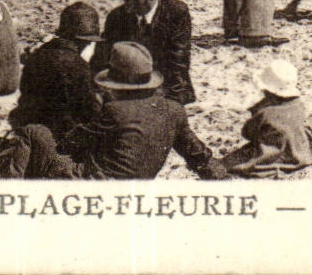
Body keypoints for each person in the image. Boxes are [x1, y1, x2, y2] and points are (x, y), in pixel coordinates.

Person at [20, 42, 225, 181]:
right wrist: (220, 175)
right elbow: (197, 153)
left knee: (34, 133)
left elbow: (71, 144)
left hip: (96, 185)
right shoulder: (174, 110)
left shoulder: (114, 111)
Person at [8, 2, 105, 151]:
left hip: (30, 129)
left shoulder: (37, 56)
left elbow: (25, 94)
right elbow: (88, 110)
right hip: (61, 138)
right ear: (83, 41)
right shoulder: (79, 66)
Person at [95, 0, 196, 105]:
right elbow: (103, 58)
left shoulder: (176, 12)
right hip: (124, 86)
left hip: (166, 85)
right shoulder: (116, 17)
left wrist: (168, 101)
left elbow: (178, 62)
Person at [221, 59, 312, 178]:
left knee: (232, 162)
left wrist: (257, 115)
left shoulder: (266, 114)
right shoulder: (298, 104)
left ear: (269, 92)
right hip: (299, 146)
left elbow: (247, 133)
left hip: (277, 151)